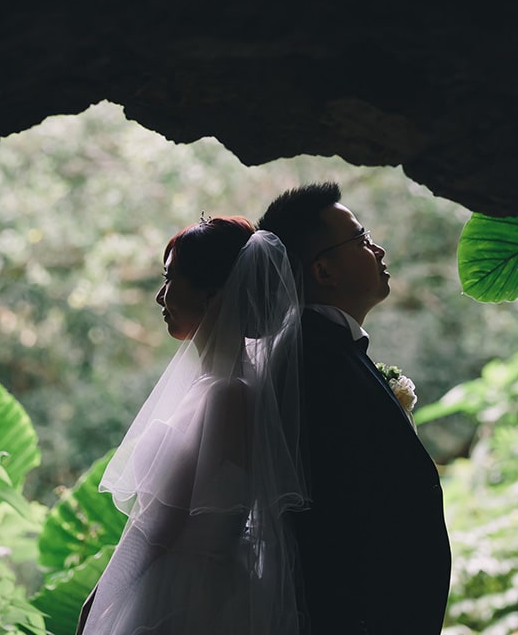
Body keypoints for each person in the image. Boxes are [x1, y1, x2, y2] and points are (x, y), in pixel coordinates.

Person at [76, 215, 308, 635]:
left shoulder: (228, 395)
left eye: (171, 279)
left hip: (186, 598)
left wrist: (99, 600)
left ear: (213, 293)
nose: (160, 296)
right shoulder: (214, 388)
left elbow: (159, 525)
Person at [257, 182, 452, 635]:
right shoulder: (314, 361)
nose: (378, 249)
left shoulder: (329, 352)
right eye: (362, 240)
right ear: (324, 272)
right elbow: (341, 513)